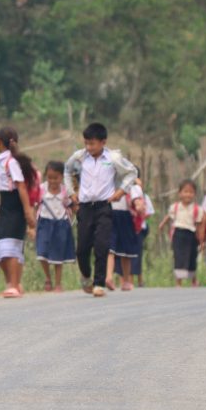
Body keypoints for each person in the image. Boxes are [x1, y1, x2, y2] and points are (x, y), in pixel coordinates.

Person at [64, 123, 137, 298]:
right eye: (86, 143)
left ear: (103, 142)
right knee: (82, 248)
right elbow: (67, 171)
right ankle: (87, 276)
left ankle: (99, 283)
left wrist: (120, 192)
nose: (89, 147)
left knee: (102, 245)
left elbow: (132, 172)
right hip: (85, 207)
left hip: (104, 207)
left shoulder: (113, 158)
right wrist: (71, 193)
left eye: (93, 144)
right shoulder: (79, 158)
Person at [0, 126, 37, 298]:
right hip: (5, 204)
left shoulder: (12, 162)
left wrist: (27, 211)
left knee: (9, 246)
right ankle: (13, 283)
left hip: (15, 205)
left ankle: (13, 284)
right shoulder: (2, 161)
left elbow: (20, 186)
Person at [35, 161, 75, 292]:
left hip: (61, 224)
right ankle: (48, 277)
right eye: (49, 177)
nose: (52, 181)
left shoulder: (65, 191)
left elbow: (72, 205)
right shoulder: (41, 189)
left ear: (62, 177)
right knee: (42, 252)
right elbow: (33, 204)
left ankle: (58, 284)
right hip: (44, 223)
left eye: (56, 177)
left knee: (58, 255)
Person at [158, 179, 205, 287]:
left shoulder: (197, 209)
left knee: (192, 257)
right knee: (178, 257)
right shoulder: (175, 207)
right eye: (185, 191)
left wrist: (201, 240)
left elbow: (199, 225)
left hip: (191, 235)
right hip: (178, 234)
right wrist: (162, 224)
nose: (188, 194)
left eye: (191, 192)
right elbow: (169, 217)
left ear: (194, 194)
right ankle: (178, 281)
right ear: (180, 193)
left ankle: (194, 280)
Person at [104, 177, 145, 292]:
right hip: (112, 215)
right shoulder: (108, 181)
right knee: (111, 248)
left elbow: (137, 199)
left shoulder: (132, 185)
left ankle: (123, 280)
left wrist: (138, 205)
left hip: (125, 217)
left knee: (124, 251)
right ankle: (110, 277)